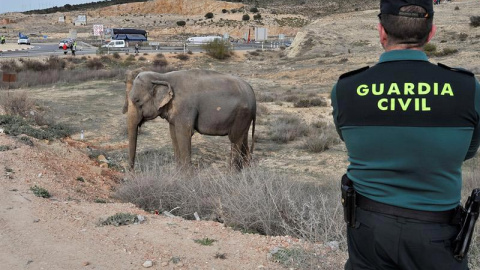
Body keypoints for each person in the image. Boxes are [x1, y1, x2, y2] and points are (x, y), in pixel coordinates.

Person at [331, 0, 480, 269]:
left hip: (368, 230)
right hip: (438, 232)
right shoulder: (467, 88)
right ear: (432, 31)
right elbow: (468, 151)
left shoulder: (347, 88)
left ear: (381, 32)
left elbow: (349, 140)